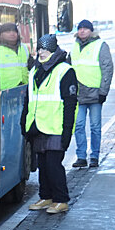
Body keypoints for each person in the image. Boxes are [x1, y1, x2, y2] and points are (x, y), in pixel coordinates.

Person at [21, 34, 78, 214]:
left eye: (46, 49)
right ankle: (46, 197)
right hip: (38, 125)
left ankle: (61, 199)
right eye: (39, 49)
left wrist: (67, 131)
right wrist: (24, 123)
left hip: (55, 127)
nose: (41, 52)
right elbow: (28, 100)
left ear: (54, 51)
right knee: (43, 166)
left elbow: (70, 104)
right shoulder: (34, 72)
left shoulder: (65, 70)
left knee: (54, 165)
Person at [68, 20, 114, 168]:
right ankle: (81, 156)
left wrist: (103, 91)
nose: (82, 31)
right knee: (79, 126)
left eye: (85, 29)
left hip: (95, 94)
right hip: (78, 93)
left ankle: (94, 156)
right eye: (80, 28)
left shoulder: (101, 45)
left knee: (95, 127)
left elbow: (107, 68)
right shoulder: (74, 46)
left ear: (91, 31)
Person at [0, 23, 32, 90]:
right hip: (5, 91)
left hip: (24, 88)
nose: (12, 33)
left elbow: (32, 65)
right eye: (8, 31)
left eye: (14, 31)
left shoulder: (23, 48)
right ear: (0, 35)